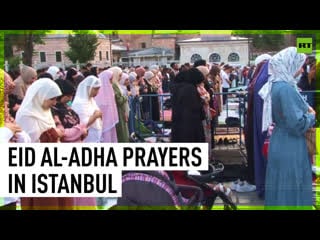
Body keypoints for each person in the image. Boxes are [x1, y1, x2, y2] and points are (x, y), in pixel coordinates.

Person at [259, 46, 316, 209]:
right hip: (291, 144)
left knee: (280, 185)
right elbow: (296, 124)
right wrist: (311, 116)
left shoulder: (278, 85)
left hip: (281, 140)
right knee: (291, 186)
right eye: (299, 65)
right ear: (289, 64)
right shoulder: (285, 88)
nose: (301, 70)